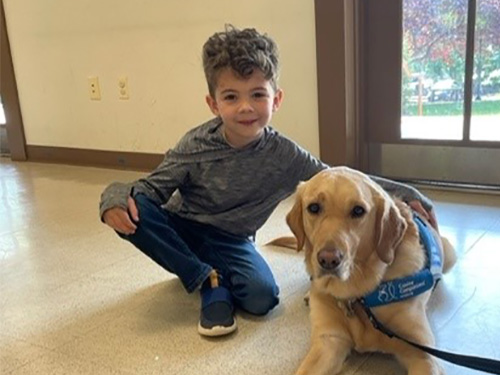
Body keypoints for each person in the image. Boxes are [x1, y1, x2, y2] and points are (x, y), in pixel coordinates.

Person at [99, 25, 437, 337]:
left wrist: (408, 195)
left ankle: (209, 269)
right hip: (182, 227)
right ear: (213, 104)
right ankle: (206, 281)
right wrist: (113, 199)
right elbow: (147, 189)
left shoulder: (285, 155)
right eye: (231, 97)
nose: (246, 107)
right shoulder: (195, 145)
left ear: (276, 99)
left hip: (230, 240)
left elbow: (343, 179)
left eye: (258, 95)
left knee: (262, 299)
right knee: (136, 210)